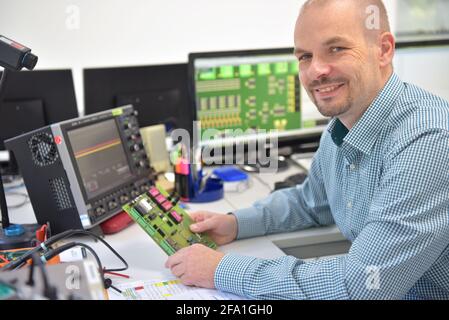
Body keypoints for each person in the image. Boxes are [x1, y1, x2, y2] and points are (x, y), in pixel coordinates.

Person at [165, 0, 449, 299]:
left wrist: (221, 270)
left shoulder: (428, 142)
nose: (316, 70)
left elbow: (361, 286)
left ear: (384, 50)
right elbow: (311, 202)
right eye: (305, 56)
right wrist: (235, 224)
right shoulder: (343, 126)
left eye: (336, 49)